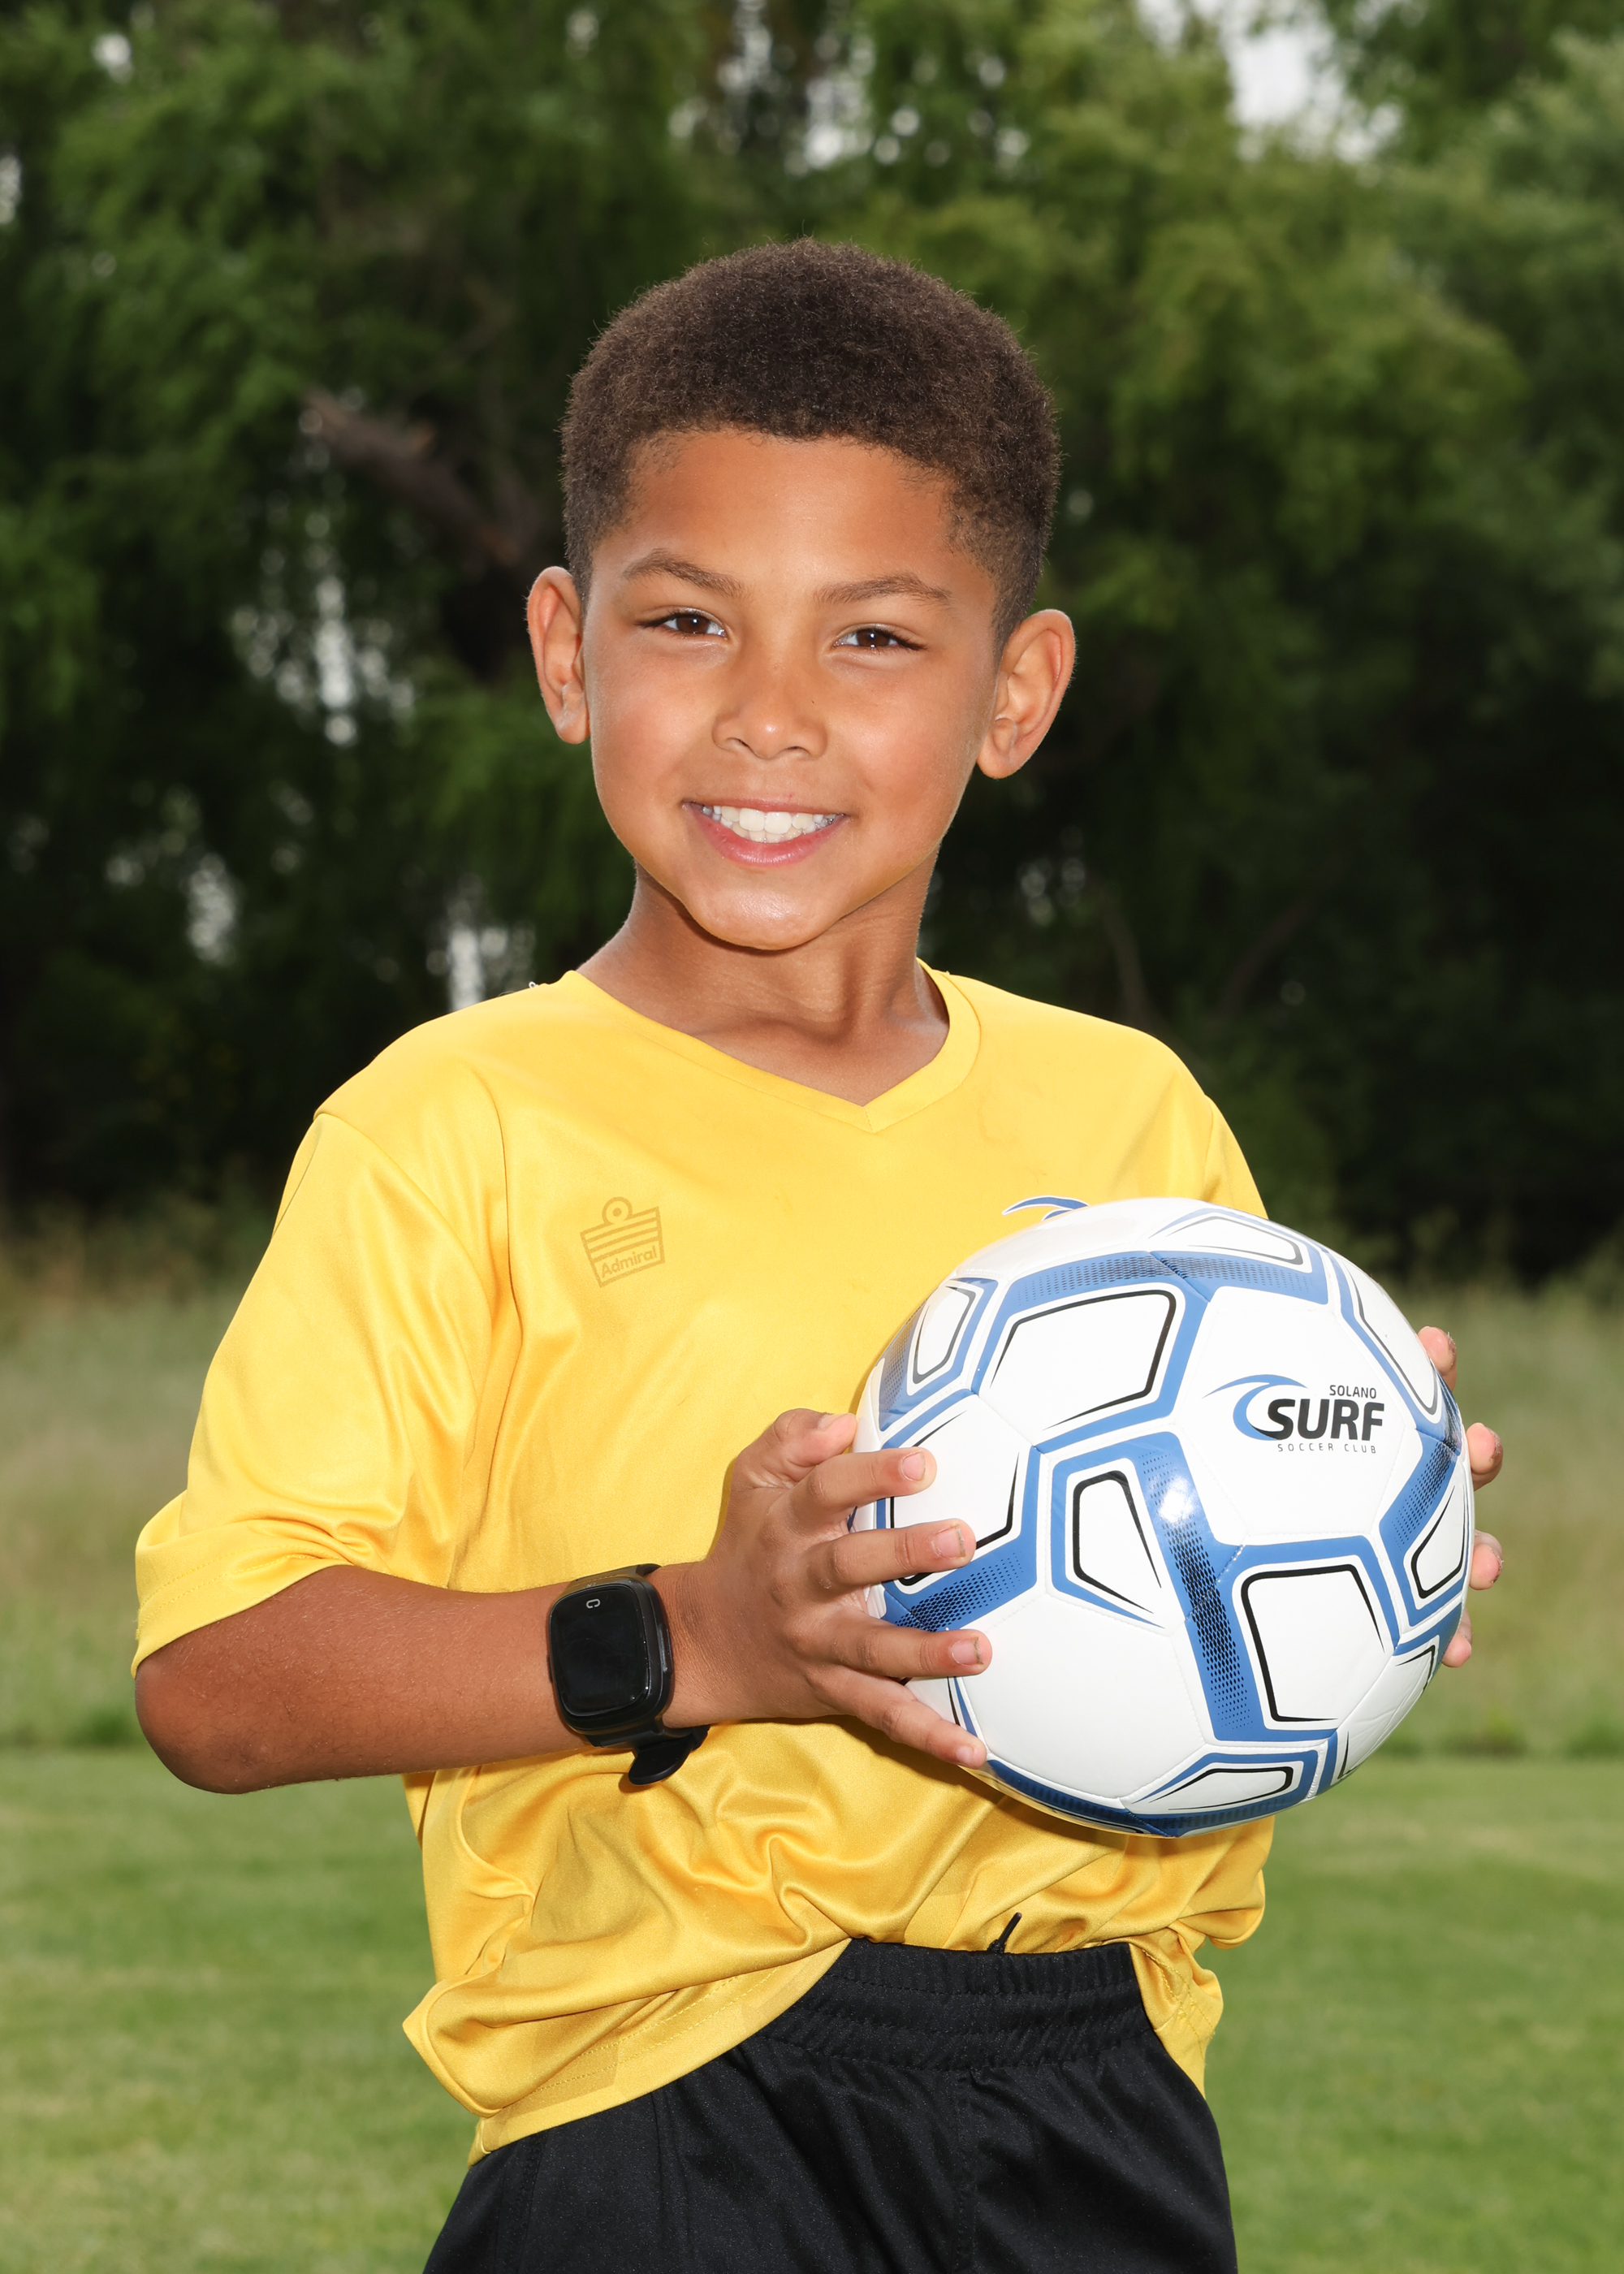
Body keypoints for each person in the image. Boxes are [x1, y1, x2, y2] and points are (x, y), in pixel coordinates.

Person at [133, 241, 1505, 2272]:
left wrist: (1354, 1520)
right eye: (687, 619)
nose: (767, 715)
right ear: (568, 652)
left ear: (1013, 691)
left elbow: (1195, 1593)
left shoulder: (1132, 1118)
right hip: (661, 2121)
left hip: (1101, 2106)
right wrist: (696, 1635)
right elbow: (219, 1678)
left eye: (871, 637)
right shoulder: (455, 1126)